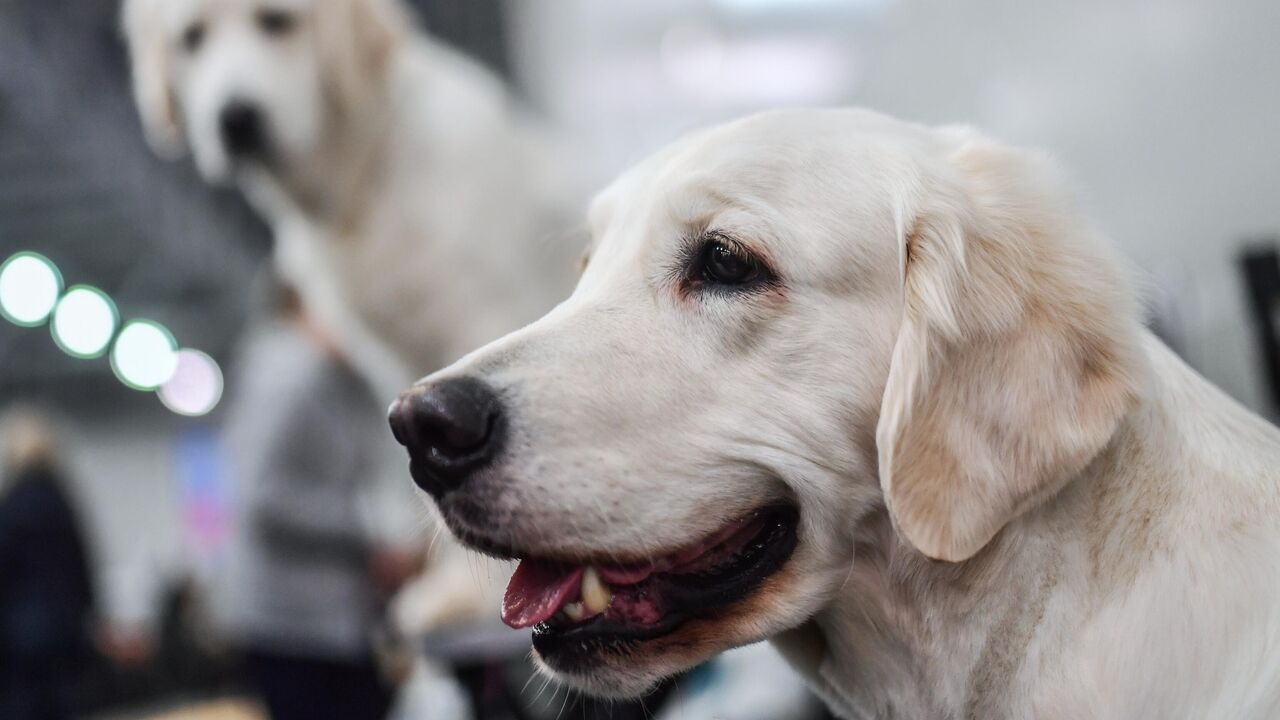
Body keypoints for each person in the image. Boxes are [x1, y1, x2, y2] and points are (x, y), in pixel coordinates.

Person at [221, 283, 413, 720]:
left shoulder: (327, 376)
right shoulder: (290, 375)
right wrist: (368, 543)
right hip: (295, 624)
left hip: (321, 620)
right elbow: (261, 499)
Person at [0, 409, 97, 720]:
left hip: (19, 639)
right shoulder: (62, 503)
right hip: (64, 633)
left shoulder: (13, 506)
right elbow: (83, 569)